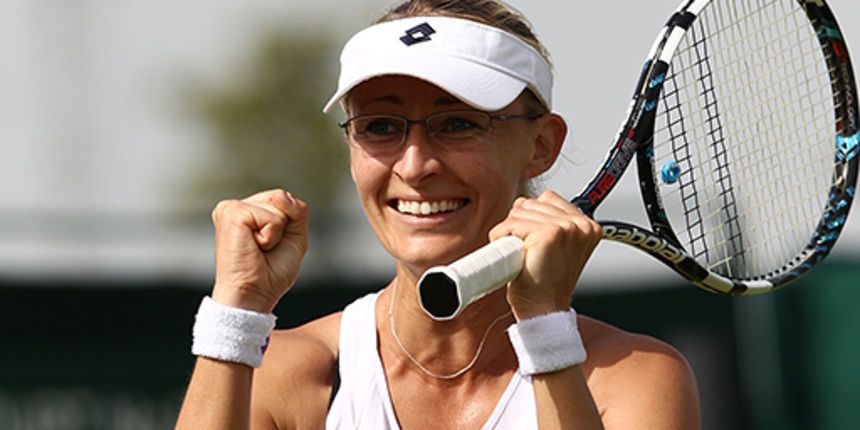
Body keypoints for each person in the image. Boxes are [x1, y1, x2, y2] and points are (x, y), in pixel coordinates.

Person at [175, 0, 701, 428]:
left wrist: (546, 326)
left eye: (458, 124)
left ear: (541, 144)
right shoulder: (283, 372)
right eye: (380, 127)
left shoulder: (637, 378)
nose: (415, 165)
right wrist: (235, 314)